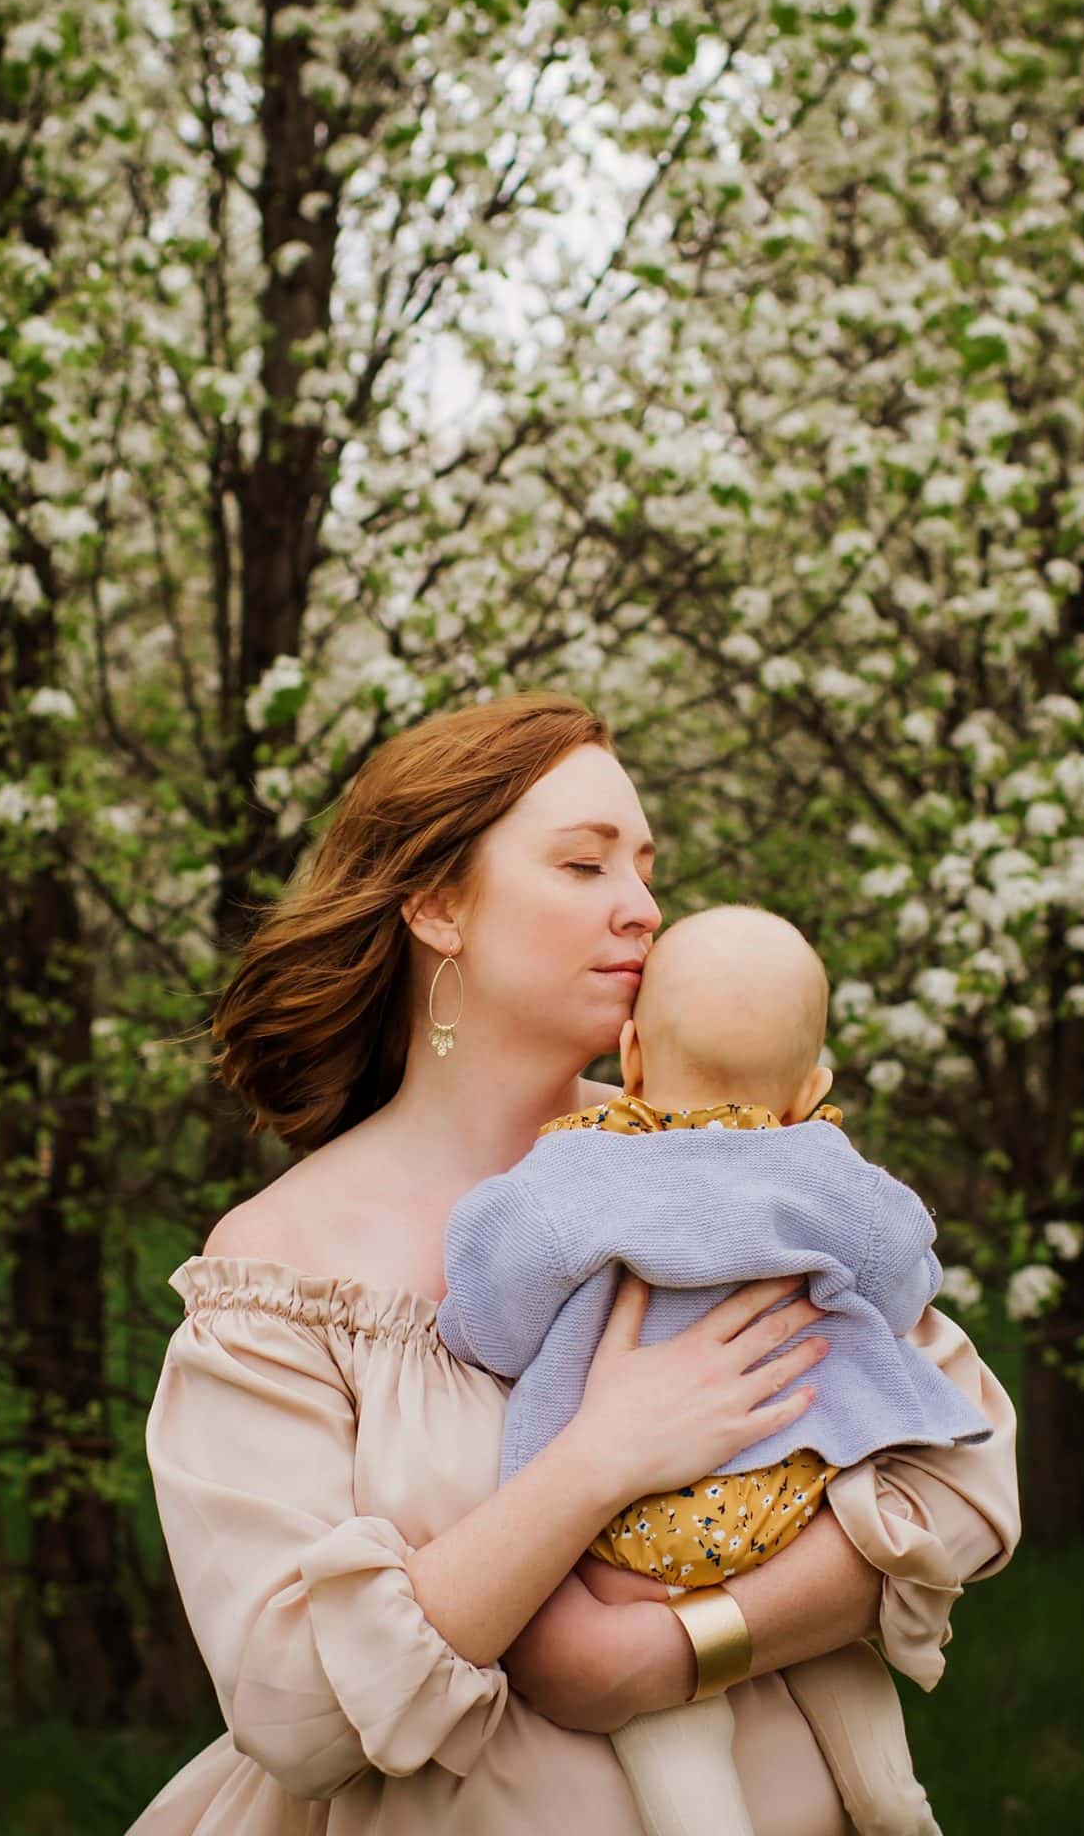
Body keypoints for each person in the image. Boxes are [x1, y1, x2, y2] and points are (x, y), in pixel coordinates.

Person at [127, 692, 1019, 1836]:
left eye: (647, 868)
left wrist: (669, 1649)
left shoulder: (731, 1168)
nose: (643, 909)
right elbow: (295, 1712)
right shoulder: (280, 1273)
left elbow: (969, 1471)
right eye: (585, 865)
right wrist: (595, 1460)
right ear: (441, 907)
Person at [436, 902, 1007, 1836]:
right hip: (792, 1494)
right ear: (811, 1086)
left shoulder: (569, 1178)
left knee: (667, 1715)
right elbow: (902, 1281)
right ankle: (892, 1802)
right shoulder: (821, 1170)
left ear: (627, 1059)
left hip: (633, 1530)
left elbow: (491, 1326)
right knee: (827, 1651)